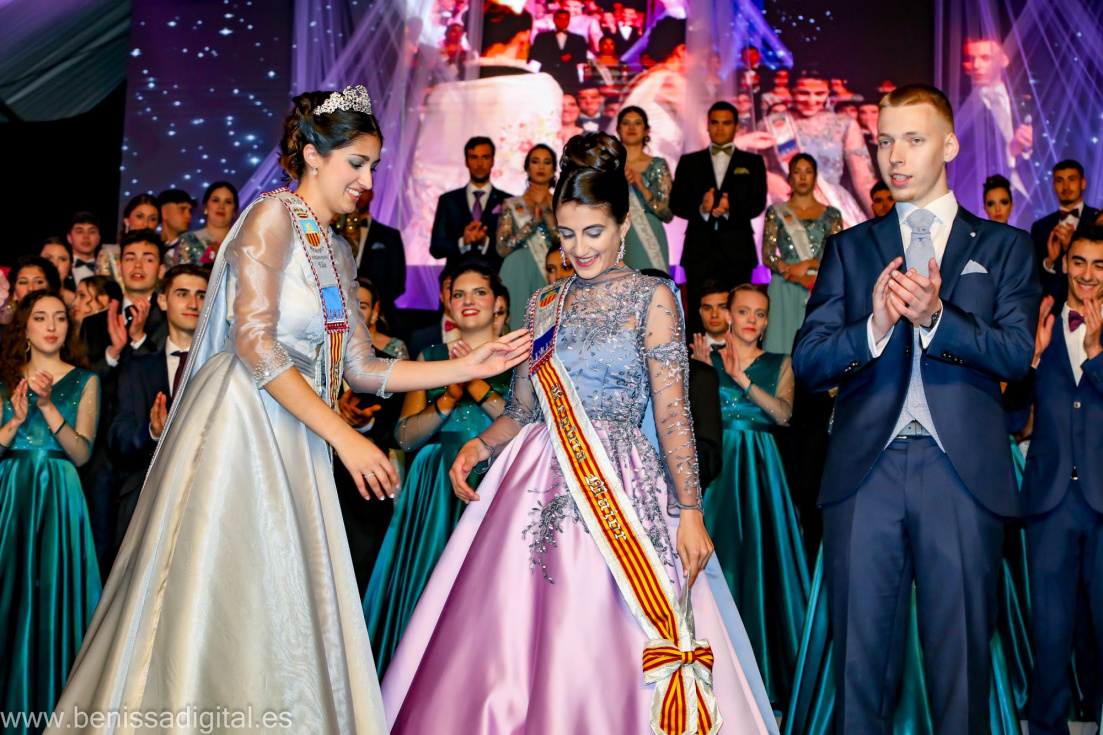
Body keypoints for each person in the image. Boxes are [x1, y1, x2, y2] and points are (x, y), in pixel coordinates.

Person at [44, 86, 531, 735]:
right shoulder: (271, 216)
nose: (367, 181)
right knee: (222, 588)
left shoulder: (337, 249)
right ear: (312, 155)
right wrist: (346, 438)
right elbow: (254, 342)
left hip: (298, 431)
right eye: (356, 163)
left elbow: (362, 367)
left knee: (282, 600)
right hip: (242, 423)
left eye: (372, 166)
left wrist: (468, 366)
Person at [381, 132, 777, 734]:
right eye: (567, 234)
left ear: (623, 225)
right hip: (536, 478)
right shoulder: (543, 302)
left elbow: (673, 413)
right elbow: (525, 409)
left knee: (607, 631)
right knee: (512, 637)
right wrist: (481, 444)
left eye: (594, 232)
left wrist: (691, 510)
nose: (580, 248)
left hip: (622, 481)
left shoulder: (654, 296)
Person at [792, 84, 1039, 731]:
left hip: (961, 474)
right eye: (883, 141)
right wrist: (872, 328)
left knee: (961, 672)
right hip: (863, 475)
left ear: (949, 145)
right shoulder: (850, 248)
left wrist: (937, 317)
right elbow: (809, 363)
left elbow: (1016, 356)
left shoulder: (1004, 247)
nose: (893, 156)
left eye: (913, 139)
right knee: (858, 671)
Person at [364, 263, 514, 676]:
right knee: (428, 584)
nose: (468, 301)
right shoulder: (429, 357)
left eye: (479, 292)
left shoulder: (519, 359)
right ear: (447, 303)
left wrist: (474, 382)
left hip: (493, 479)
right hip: (434, 489)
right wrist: (448, 397)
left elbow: (520, 423)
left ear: (498, 303)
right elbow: (405, 437)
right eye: (458, 294)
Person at [693, 285, 809, 711]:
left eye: (760, 314)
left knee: (763, 566)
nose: (751, 320)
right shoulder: (704, 361)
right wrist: (703, 371)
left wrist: (740, 378)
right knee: (717, 565)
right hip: (719, 470)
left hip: (761, 469)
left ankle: (767, 679)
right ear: (728, 315)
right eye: (743, 311)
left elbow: (783, 414)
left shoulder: (781, 362)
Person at [0, 290, 101, 730]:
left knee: (53, 602)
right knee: (9, 598)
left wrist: (46, 406)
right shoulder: (5, 381)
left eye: (59, 317)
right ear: (24, 327)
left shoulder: (85, 381)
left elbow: (81, 454)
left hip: (60, 495)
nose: (52, 326)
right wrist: (14, 422)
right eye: (41, 317)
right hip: (11, 494)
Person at [1021, 227, 1103, 734]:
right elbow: (1012, 418)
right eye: (1080, 262)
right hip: (1049, 502)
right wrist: (1030, 360)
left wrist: (1096, 354)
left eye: (1099, 264)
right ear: (1065, 263)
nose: (1088, 274)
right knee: (1049, 631)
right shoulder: (1042, 321)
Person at [106, 265, 207, 560]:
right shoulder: (136, 369)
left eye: (201, 295)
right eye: (182, 294)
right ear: (162, 301)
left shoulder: (223, 366)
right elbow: (117, 440)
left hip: (205, 500)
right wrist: (152, 432)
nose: (193, 303)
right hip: (145, 502)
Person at [670, 100, 768, 320]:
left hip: (738, 251)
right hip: (699, 251)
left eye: (726, 123)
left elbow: (757, 204)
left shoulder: (753, 162)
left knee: (738, 315)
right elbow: (676, 204)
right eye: (715, 122)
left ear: (736, 126)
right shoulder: (689, 162)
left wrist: (730, 210)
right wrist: (702, 210)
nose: (720, 128)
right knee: (698, 315)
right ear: (707, 125)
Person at [763, 72, 877, 225]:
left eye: (819, 94)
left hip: (833, 203)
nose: (811, 100)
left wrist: (880, 218)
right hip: (786, 203)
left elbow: (863, 179)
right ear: (791, 91)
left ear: (828, 93)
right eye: (804, 93)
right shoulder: (772, 124)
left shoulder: (843, 123)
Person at [761, 153, 843, 354]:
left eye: (808, 172)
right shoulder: (776, 211)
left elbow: (837, 255)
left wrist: (807, 265)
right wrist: (792, 273)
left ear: (815, 176)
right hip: (785, 284)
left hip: (820, 284)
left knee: (817, 347)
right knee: (781, 347)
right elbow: (768, 254)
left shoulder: (832, 214)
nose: (803, 177)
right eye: (797, 172)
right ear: (790, 177)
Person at [955, 37, 1036, 221]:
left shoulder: (1026, 100)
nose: (976, 65)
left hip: (1029, 198)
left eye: (985, 58)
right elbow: (963, 164)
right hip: (981, 205)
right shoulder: (959, 109)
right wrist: (1009, 152)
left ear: (1003, 60)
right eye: (971, 58)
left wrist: (1027, 148)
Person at [79, 229, 168, 373]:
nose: (138, 265)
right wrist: (113, 352)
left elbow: (167, 376)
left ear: (161, 270)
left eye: (148, 259)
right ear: (119, 268)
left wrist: (139, 339)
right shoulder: (92, 325)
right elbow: (82, 380)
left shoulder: (169, 322)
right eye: (130, 258)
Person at [497, 144, 560, 331]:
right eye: (535, 161)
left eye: (546, 162)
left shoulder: (562, 202)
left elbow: (563, 241)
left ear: (553, 169)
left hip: (551, 269)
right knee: (517, 324)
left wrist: (546, 209)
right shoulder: (512, 204)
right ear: (526, 167)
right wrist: (532, 223)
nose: (541, 167)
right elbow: (502, 248)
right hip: (517, 270)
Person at [430, 137, 512, 273]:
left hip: (496, 277)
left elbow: (512, 247)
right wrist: (463, 241)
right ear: (466, 161)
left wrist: (485, 242)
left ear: (492, 161)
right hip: (455, 277)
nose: (480, 164)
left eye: (485, 157)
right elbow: (436, 248)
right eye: (474, 157)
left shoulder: (508, 201)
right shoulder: (448, 200)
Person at [617, 106, 674, 272]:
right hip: (618, 234)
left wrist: (641, 187)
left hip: (650, 232)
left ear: (646, 130)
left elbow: (667, 214)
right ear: (618, 129)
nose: (631, 127)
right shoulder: (610, 166)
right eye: (626, 123)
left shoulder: (658, 165)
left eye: (637, 123)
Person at [1031, 160, 1100, 291]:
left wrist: (1071, 247)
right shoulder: (1040, 227)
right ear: (1053, 186)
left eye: (1072, 179)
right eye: (1059, 180)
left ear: (1083, 183)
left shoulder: (1098, 220)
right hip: (1052, 301)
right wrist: (1049, 261)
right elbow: (1033, 277)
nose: (1066, 186)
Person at [347, 189, 406, 337]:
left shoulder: (389, 235)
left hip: (380, 317)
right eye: (351, 189)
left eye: (363, 190)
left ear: (372, 194)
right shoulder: (330, 231)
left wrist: (373, 306)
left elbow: (397, 282)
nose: (358, 195)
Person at [95, 194, 160, 286]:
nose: (145, 224)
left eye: (152, 219)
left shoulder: (164, 256)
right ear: (127, 220)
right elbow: (100, 289)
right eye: (139, 216)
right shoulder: (109, 253)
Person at [170, 181, 240, 266]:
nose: (221, 206)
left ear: (235, 211)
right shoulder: (188, 240)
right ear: (205, 206)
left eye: (228, 202)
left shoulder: (244, 244)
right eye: (215, 200)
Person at [528, 8, 588, 94]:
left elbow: (582, 58)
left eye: (565, 19)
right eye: (559, 19)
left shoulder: (578, 39)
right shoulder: (542, 37)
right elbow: (536, 56)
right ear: (554, 20)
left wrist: (571, 57)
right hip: (548, 77)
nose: (562, 22)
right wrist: (556, 58)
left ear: (569, 21)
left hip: (570, 79)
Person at [691, 280, 730, 351]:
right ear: (700, 312)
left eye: (722, 307)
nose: (714, 315)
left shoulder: (748, 349)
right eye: (707, 308)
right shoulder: (685, 353)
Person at [157, 188, 196, 260]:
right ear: (163, 212)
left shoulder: (194, 247)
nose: (188, 216)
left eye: (190, 211)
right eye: (182, 209)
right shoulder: (152, 246)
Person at [67, 212, 102, 285]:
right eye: (79, 231)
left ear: (98, 238)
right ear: (69, 238)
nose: (86, 236)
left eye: (92, 232)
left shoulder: (108, 270)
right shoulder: (63, 268)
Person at [41, 236, 76, 301]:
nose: (55, 264)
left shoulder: (76, 301)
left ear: (71, 265)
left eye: (62, 259)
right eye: (48, 258)